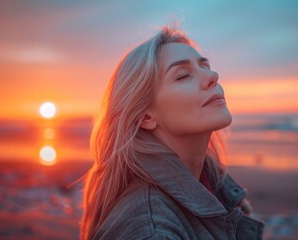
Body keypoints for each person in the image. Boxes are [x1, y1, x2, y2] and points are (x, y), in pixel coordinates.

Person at [80, 24, 264, 240]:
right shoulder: (153, 230)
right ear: (145, 117)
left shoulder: (213, 183)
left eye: (205, 66)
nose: (213, 75)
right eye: (183, 75)